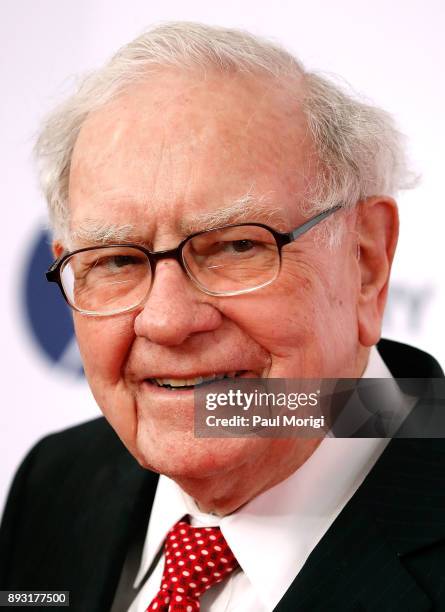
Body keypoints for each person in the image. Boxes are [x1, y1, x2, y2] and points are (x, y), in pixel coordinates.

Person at [1, 22, 444, 612]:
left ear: (364, 261)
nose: (166, 320)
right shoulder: (54, 484)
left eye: (237, 246)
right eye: (116, 260)